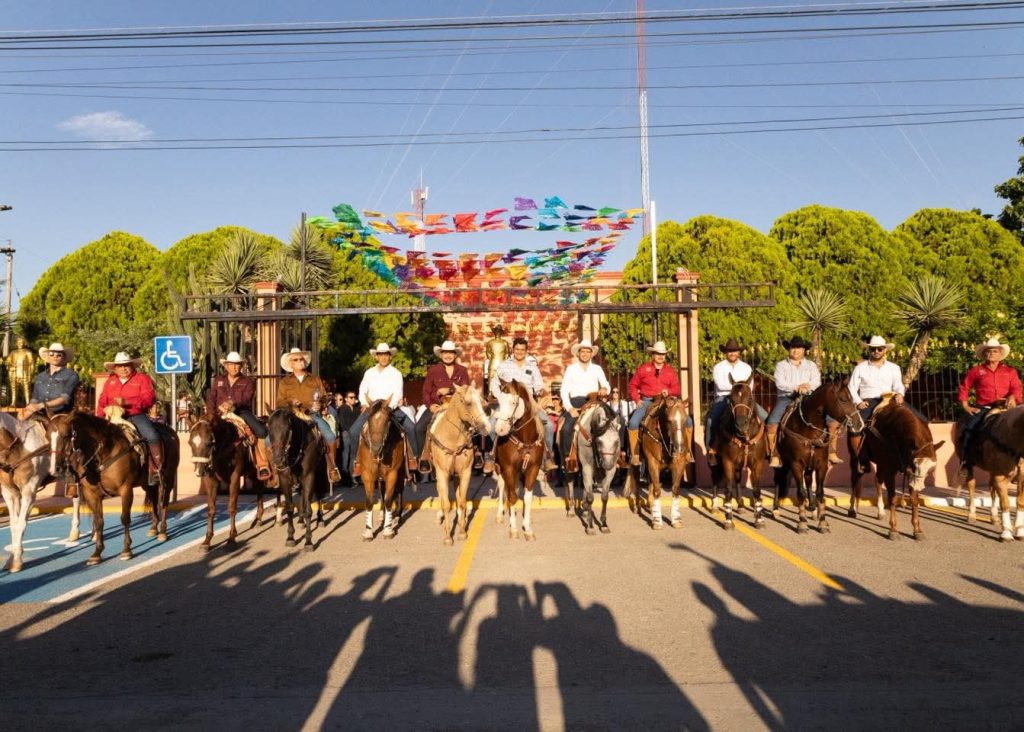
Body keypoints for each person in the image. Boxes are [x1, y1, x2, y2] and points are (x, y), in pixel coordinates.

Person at [349, 343, 420, 474]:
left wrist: (388, 406)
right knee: (353, 432)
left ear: (390, 356)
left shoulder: (396, 373)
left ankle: (414, 459)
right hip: (371, 408)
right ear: (376, 357)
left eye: (386, 354)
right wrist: (365, 403)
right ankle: (356, 462)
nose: (383, 357)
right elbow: (362, 390)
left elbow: (398, 392)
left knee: (411, 427)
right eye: (380, 354)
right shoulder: (369, 373)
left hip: (390, 408)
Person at [96, 351, 163, 485]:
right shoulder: (110, 382)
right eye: (120, 366)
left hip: (135, 415)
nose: (123, 368)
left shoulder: (142, 379)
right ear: (115, 368)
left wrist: (127, 403)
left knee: (152, 436)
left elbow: (148, 399)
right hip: (112, 416)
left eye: (126, 365)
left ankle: (155, 470)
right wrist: (99, 418)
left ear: (132, 366)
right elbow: (102, 401)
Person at [491, 336, 557, 471]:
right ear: (512, 350)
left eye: (522, 349)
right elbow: (494, 385)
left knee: (549, 426)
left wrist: (540, 395)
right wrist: (502, 398)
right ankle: (492, 456)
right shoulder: (503, 366)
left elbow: (539, 386)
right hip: (508, 403)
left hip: (529, 405)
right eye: (517, 349)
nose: (519, 352)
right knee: (491, 427)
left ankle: (547, 456)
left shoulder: (532, 367)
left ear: (526, 351)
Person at [207, 351, 273, 482]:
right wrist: (211, 413)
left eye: (237, 365)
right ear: (225, 366)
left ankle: (262, 464)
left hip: (241, 412)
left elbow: (247, 398)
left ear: (241, 366)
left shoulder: (248, 381)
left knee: (261, 431)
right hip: (220, 414)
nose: (234, 367)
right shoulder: (218, 380)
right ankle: (207, 463)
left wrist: (233, 403)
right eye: (231, 364)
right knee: (205, 433)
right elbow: (211, 397)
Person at [277, 347, 341, 483]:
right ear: (291, 364)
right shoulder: (284, 382)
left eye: (302, 359)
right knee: (269, 440)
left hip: (311, 414)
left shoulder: (315, 379)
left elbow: (324, 397)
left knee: (330, 436)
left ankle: (332, 467)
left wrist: (321, 405)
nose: (300, 361)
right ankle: (275, 471)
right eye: (296, 359)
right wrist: (290, 402)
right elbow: (279, 402)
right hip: (291, 416)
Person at [846, 336, 909, 468]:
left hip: (890, 401)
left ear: (885, 350)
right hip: (868, 402)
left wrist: (899, 394)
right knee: (855, 426)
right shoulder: (860, 368)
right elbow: (852, 387)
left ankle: (908, 458)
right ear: (869, 350)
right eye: (873, 349)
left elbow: (898, 385)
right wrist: (858, 402)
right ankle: (861, 459)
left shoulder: (894, 367)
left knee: (918, 419)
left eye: (880, 349)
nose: (877, 351)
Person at [957, 336, 1022, 460]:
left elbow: (1016, 388)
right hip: (985, 408)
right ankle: (965, 463)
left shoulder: (1010, 371)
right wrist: (966, 406)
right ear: (984, 354)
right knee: (969, 429)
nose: (991, 353)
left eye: (995, 351)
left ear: (1000, 354)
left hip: (1008, 407)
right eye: (988, 351)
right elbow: (964, 387)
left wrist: (1012, 397)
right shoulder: (976, 371)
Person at [705, 338, 767, 467]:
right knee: (712, 419)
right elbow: (721, 385)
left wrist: (739, 389)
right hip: (724, 397)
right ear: (725, 352)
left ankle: (770, 450)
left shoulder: (746, 367)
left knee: (766, 417)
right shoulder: (718, 367)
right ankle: (711, 449)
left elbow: (750, 387)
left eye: (734, 351)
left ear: (738, 352)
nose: (732, 353)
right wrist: (738, 388)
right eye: (729, 351)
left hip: (744, 399)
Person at [765, 336, 821, 468]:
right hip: (787, 398)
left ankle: (829, 451)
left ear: (804, 350)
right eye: (792, 348)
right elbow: (780, 383)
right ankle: (773, 454)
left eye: (798, 348)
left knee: (829, 419)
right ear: (788, 349)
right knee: (771, 422)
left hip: (808, 398)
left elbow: (816, 381)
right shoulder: (781, 365)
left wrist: (807, 387)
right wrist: (796, 387)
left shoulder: (811, 365)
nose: (795, 351)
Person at [417, 339, 472, 472]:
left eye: (451, 353)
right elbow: (425, 392)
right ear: (441, 355)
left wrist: (450, 390)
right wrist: (431, 405)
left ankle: (477, 453)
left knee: (477, 423)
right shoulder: (433, 371)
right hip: (438, 406)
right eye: (445, 353)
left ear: (455, 355)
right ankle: (424, 456)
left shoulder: (462, 371)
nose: (448, 356)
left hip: (458, 407)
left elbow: (465, 389)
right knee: (418, 428)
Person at [627, 340, 683, 466]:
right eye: (658, 353)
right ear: (652, 354)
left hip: (666, 402)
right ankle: (635, 454)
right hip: (647, 401)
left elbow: (677, 389)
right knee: (633, 423)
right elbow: (632, 385)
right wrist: (637, 399)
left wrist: (668, 391)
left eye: (663, 354)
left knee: (687, 421)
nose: (660, 356)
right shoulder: (643, 369)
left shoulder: (670, 371)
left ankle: (686, 451)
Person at [559, 339, 610, 472]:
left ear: (591, 354)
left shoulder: (597, 368)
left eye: (588, 351)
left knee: (615, 421)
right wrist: (569, 408)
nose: (585, 354)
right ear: (578, 353)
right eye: (583, 351)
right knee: (566, 428)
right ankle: (568, 458)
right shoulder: (571, 368)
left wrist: (604, 389)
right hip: (576, 401)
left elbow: (606, 384)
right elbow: (564, 390)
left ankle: (616, 455)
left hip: (594, 400)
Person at [22, 342, 80, 418]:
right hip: (40, 414)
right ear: (47, 357)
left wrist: (42, 405)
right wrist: (28, 409)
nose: (55, 356)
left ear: (64, 358)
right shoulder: (40, 376)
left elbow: (65, 399)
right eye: (52, 354)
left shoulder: (71, 375)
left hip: (61, 415)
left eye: (59, 355)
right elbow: (35, 398)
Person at [335, 391, 360, 486]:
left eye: (354, 397)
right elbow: (342, 423)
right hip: (346, 434)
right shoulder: (342, 408)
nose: (353, 399)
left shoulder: (356, 409)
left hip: (355, 435)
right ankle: (345, 478)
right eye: (351, 397)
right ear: (346, 399)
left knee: (353, 456)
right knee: (346, 454)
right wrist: (348, 431)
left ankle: (352, 476)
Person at [6, 336, 36, 407]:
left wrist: (30, 374)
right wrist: (11, 366)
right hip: (14, 372)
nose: (20, 344)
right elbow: (8, 362)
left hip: (24, 372)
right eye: (19, 342)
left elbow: (31, 363)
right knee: (13, 388)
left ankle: (28, 403)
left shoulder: (27, 352)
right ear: (16, 343)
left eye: (22, 342)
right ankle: (13, 403)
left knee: (26, 388)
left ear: (24, 343)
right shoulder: (13, 352)